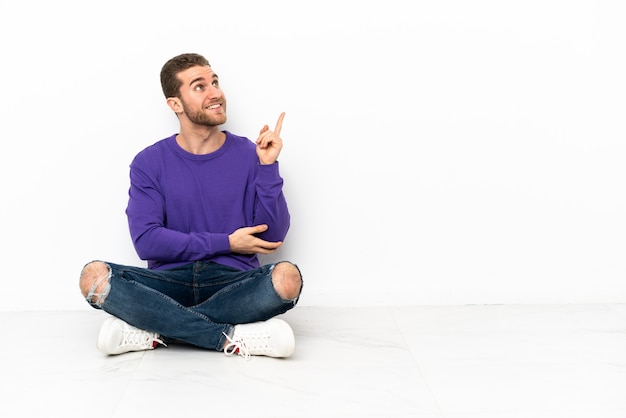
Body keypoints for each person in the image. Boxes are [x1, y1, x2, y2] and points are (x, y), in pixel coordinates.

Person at [79, 53, 303, 359]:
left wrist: (267, 167)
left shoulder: (251, 155)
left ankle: (154, 326)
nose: (215, 93)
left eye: (215, 82)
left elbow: (272, 237)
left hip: (232, 282)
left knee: (287, 279)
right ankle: (229, 337)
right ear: (175, 104)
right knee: (93, 277)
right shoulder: (149, 162)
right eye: (199, 87)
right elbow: (146, 242)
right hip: (168, 283)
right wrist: (226, 242)